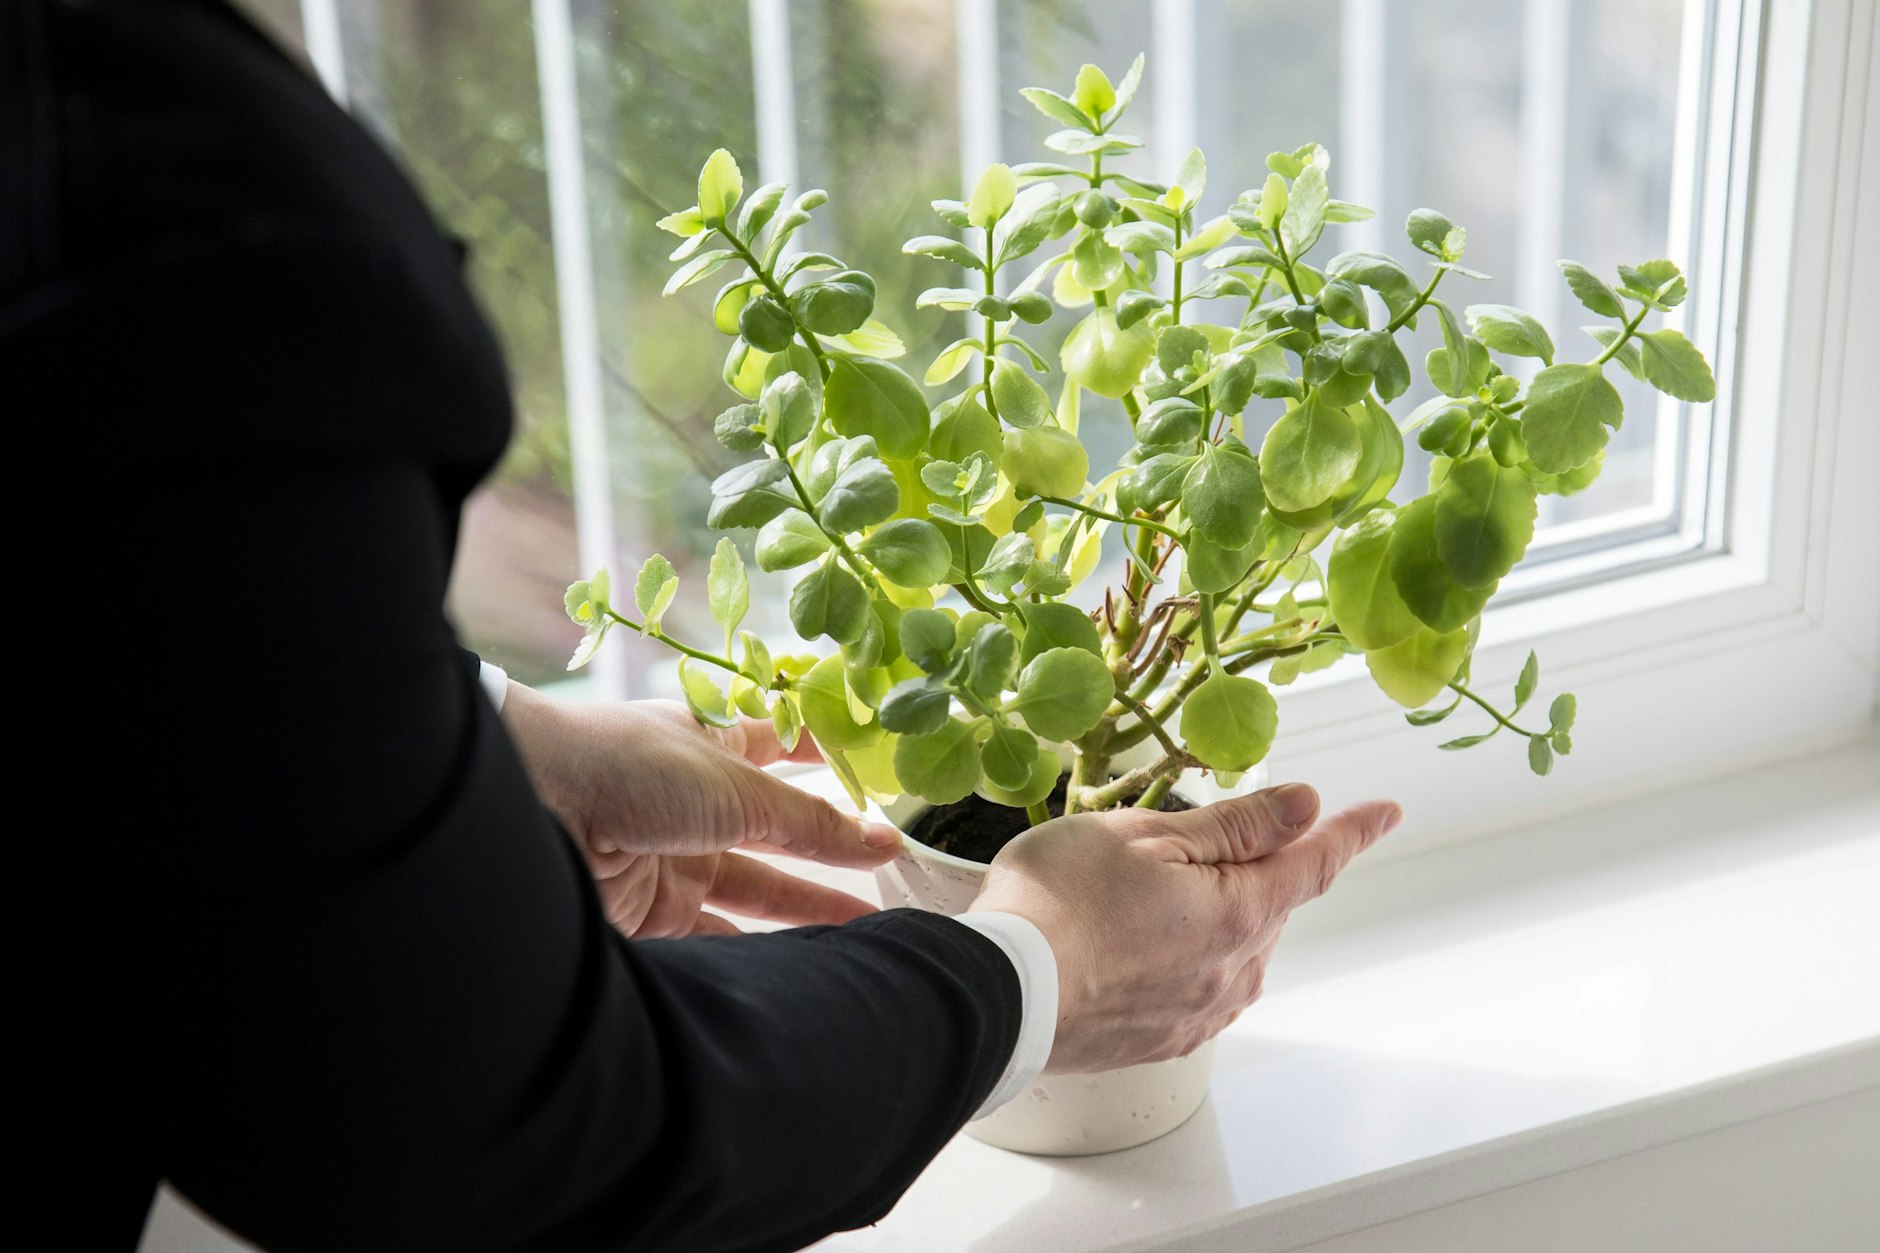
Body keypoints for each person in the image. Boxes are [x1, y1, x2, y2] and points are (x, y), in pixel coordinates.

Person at [4, 1, 1401, 1249]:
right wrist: (1039, 966)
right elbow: (498, 1122)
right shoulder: (169, 217)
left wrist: (483, 744)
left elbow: (115, 644)